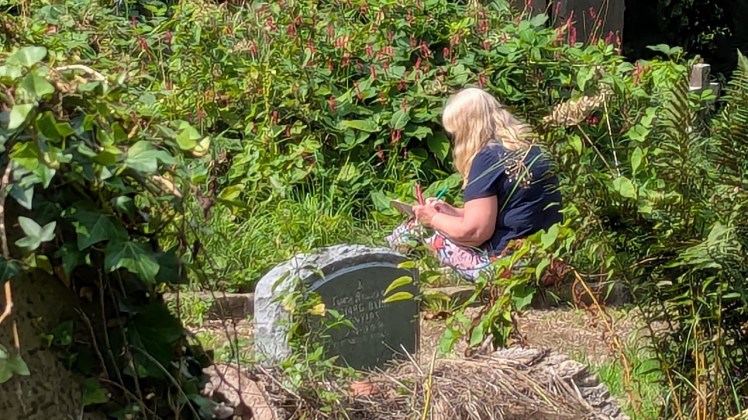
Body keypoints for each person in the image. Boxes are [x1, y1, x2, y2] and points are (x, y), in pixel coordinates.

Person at [386, 87, 564, 283]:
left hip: (509, 266)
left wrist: (433, 218)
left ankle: (385, 274)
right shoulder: (531, 149)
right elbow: (502, 213)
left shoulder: (487, 157)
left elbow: (475, 232)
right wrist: (450, 211)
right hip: (549, 260)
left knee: (415, 227)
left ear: (467, 128)